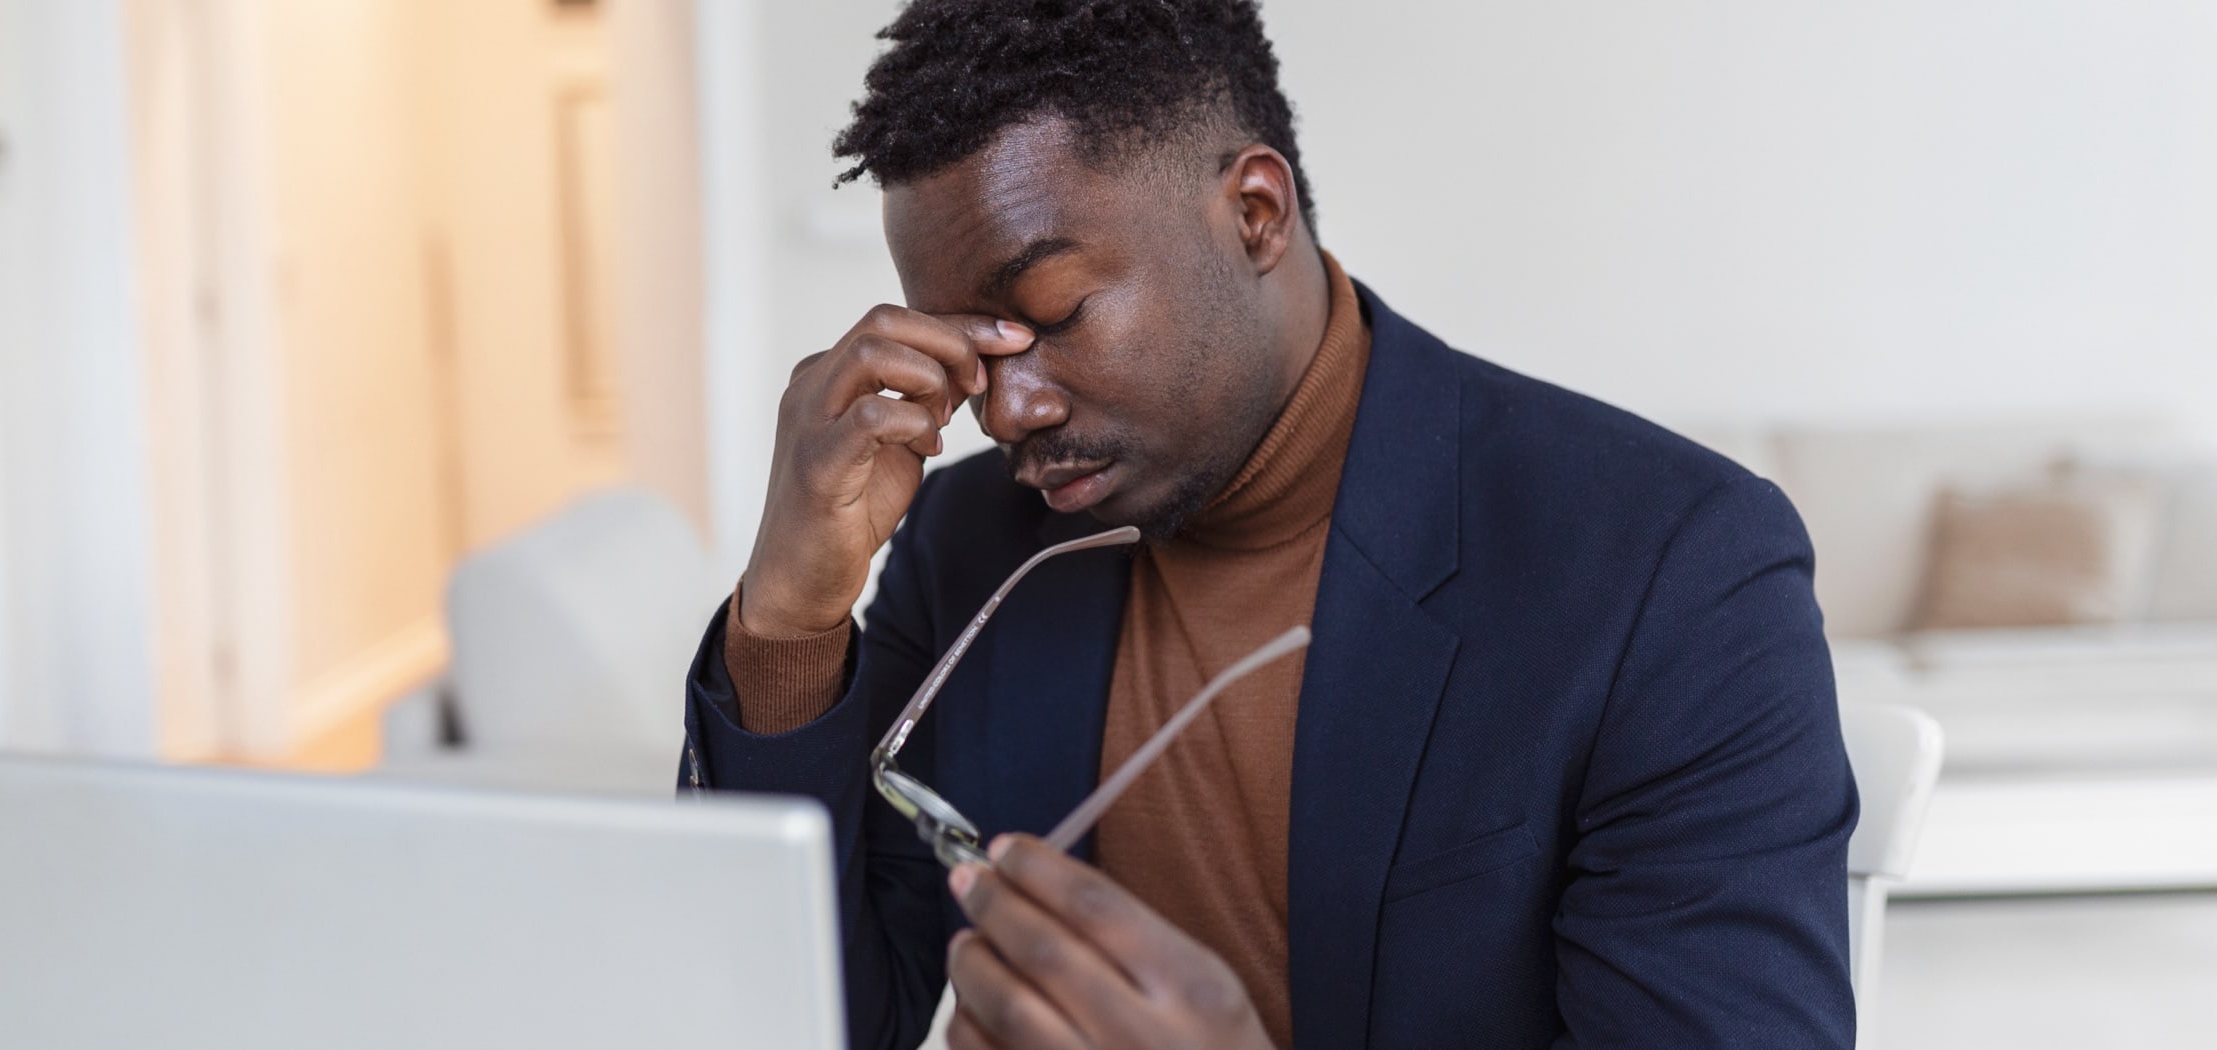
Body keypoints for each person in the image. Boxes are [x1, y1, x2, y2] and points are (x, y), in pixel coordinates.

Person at [678, 2, 1859, 1047]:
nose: (1009, 410)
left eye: (1051, 314)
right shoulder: (973, 544)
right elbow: (801, 1018)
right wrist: (789, 614)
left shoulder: (1670, 571)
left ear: (1254, 213)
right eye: (970, 352)